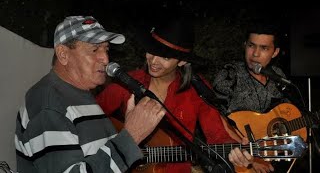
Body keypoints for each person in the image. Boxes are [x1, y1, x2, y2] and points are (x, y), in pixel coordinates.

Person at [96, 17, 253, 172]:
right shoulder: (127, 83)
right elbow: (89, 117)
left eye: (165, 57)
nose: (154, 61)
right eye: (152, 51)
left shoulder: (196, 90)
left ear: (182, 61)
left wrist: (235, 150)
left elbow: (216, 134)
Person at [14, 16, 167, 173]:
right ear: (63, 54)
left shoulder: (80, 94)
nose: (106, 59)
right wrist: (131, 136)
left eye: (106, 49)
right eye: (94, 50)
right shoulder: (48, 104)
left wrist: (129, 130)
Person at [212, 20, 296, 172]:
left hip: (273, 158)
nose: (255, 54)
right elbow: (216, 118)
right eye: (251, 46)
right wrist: (252, 156)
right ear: (245, 45)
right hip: (236, 160)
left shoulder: (278, 76)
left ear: (275, 52)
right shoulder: (230, 74)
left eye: (264, 48)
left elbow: (286, 114)